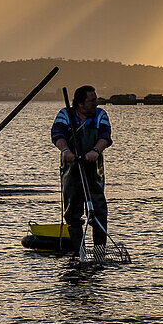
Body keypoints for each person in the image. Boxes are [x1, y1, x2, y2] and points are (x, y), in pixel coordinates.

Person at [51, 85, 113, 254]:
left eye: (96, 99)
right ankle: (79, 252)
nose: (95, 103)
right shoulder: (65, 115)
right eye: (91, 100)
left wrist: (95, 151)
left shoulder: (100, 115)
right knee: (72, 213)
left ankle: (100, 251)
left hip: (94, 170)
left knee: (98, 210)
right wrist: (66, 151)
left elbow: (105, 137)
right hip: (71, 170)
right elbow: (57, 135)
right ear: (80, 103)